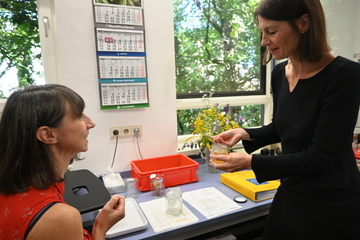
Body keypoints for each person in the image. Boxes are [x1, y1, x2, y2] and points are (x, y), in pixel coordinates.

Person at [209, 0, 360, 239]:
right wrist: (245, 133)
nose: (264, 41)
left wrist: (250, 162)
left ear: (303, 23)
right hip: (291, 191)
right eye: (262, 32)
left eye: (272, 32)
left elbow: (319, 158)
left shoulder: (345, 76)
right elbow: (283, 127)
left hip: (331, 202)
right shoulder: (280, 73)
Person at [0, 84, 125, 240]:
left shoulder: (19, 184)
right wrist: (100, 228)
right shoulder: (59, 218)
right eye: (79, 116)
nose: (91, 123)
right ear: (48, 134)